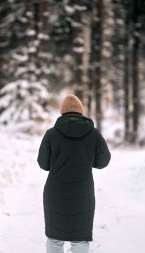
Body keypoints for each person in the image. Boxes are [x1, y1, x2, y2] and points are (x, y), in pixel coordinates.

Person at [37, 94, 111, 253]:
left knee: (54, 239)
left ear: (62, 112)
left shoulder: (51, 134)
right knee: (81, 240)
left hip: (55, 192)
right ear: (81, 111)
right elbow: (103, 161)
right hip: (83, 193)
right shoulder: (94, 134)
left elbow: (43, 164)